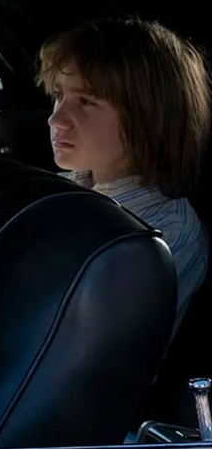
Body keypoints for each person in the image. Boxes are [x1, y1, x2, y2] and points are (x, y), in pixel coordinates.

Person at [39, 17, 211, 334]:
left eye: (86, 101)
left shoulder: (167, 236)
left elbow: (111, 354)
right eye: (58, 96)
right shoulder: (56, 191)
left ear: (148, 120)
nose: (56, 118)